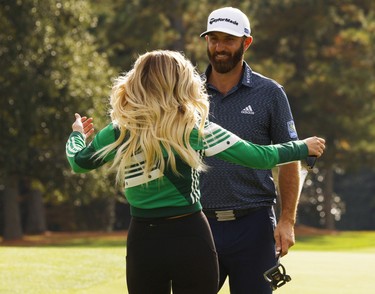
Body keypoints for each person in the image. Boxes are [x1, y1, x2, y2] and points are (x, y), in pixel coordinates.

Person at [65, 50, 325, 294]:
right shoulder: (194, 128)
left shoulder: (119, 130)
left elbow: (78, 162)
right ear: (179, 83)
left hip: (143, 239)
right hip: (190, 235)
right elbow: (259, 157)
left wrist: (77, 135)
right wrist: (302, 147)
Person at [199, 7, 306, 293]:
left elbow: (291, 157)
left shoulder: (270, 93)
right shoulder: (187, 93)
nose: (219, 47)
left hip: (254, 226)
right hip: (199, 224)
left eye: (228, 40)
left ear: (246, 43)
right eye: (213, 39)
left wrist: (287, 220)